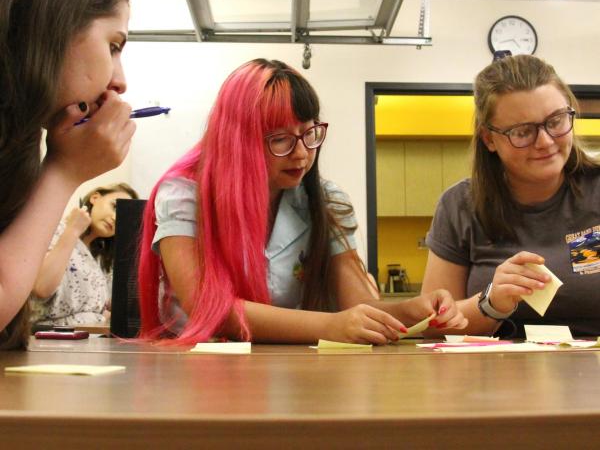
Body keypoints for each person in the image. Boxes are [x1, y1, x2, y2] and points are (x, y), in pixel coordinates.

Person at [138, 59, 467, 345]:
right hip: (197, 366)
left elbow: (358, 304)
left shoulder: (326, 200)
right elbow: (206, 307)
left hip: (286, 368)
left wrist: (411, 310)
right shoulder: (183, 193)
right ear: (238, 139)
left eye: (310, 133)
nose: (301, 153)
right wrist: (330, 325)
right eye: (280, 138)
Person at [0, 0, 136, 348]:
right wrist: (62, 171)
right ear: (52, 27)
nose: (120, 81)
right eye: (113, 46)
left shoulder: (18, 139)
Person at [422, 54, 600, 338]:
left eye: (555, 121)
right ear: (489, 139)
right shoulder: (460, 205)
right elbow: (432, 328)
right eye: (522, 132)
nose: (545, 142)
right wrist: (491, 304)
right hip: (495, 375)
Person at [30, 183, 138, 328]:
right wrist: (73, 230)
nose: (115, 218)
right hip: (46, 340)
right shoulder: (54, 230)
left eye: (123, 217)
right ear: (95, 198)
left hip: (88, 343)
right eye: (114, 207)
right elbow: (42, 287)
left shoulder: (102, 260)